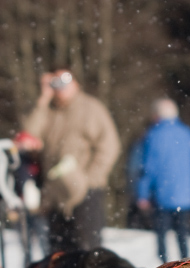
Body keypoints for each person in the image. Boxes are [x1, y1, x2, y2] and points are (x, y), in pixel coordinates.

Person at [22, 67, 121, 253]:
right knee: (58, 255)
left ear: (76, 83)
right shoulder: (48, 111)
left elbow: (109, 146)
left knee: (88, 251)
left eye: (65, 81)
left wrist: (89, 180)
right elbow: (29, 135)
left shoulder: (91, 108)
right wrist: (43, 100)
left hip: (86, 194)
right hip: (55, 196)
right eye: (55, 83)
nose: (60, 87)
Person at [135, 98, 190, 263]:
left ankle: (164, 266)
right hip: (185, 196)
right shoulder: (188, 133)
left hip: (162, 194)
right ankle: (187, 265)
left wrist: (142, 194)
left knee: (162, 234)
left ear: (157, 116)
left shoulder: (153, 135)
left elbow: (147, 168)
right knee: (183, 234)